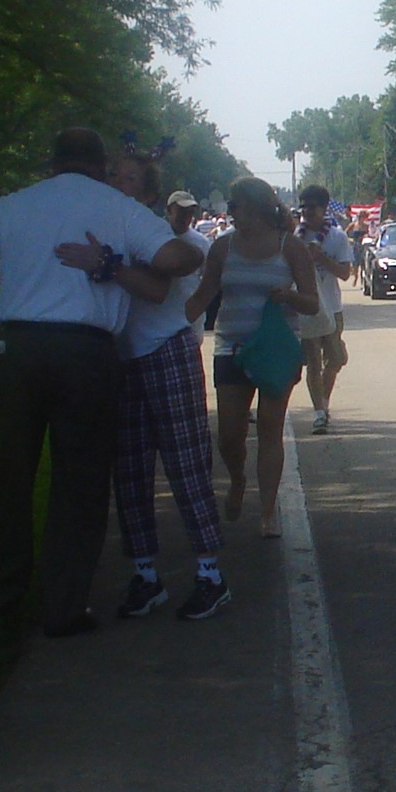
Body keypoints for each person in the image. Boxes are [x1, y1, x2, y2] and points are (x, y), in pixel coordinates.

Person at [0, 127, 202, 637]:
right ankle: (64, 605)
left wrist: (23, 263)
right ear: (99, 165)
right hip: (85, 354)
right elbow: (179, 259)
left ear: (52, 162)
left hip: (17, 351)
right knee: (79, 481)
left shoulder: (16, 204)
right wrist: (112, 264)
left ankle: (0, 596)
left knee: (9, 476)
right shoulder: (117, 208)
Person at [108, 180, 229, 622]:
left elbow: (182, 267)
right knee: (131, 472)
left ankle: (210, 575)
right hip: (123, 356)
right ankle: (145, 576)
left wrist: (109, 266)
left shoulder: (154, 231)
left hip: (165, 347)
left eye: (128, 182)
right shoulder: (107, 224)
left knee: (186, 465)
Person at [190, 177, 319, 539]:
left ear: (258, 209)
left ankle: (267, 513)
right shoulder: (222, 248)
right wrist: (167, 323)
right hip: (232, 347)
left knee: (269, 428)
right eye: (229, 207)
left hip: (276, 351)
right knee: (229, 435)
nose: (229, 212)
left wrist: (289, 296)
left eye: (235, 206)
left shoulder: (289, 247)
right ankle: (236, 479)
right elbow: (203, 296)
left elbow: (312, 303)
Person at [296, 183, 355, 434]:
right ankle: (319, 413)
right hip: (308, 310)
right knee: (312, 362)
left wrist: (320, 258)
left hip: (332, 307)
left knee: (337, 359)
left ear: (323, 208)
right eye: (304, 206)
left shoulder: (337, 236)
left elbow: (344, 273)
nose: (307, 211)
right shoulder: (295, 238)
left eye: (312, 207)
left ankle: (324, 402)